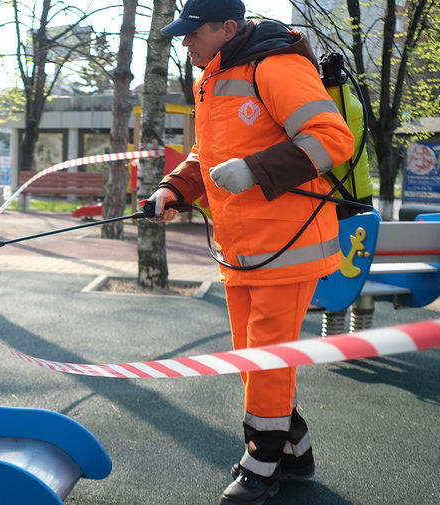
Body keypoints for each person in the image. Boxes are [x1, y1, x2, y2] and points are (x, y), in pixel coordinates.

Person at [148, 1, 355, 504]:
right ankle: (296, 449)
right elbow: (208, 155)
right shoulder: (214, 79)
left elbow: (333, 139)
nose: (185, 42)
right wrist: (175, 189)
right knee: (253, 358)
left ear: (228, 29)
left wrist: (256, 169)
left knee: (263, 357)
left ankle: (261, 464)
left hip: (288, 245)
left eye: (193, 33)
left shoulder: (276, 66)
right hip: (244, 247)